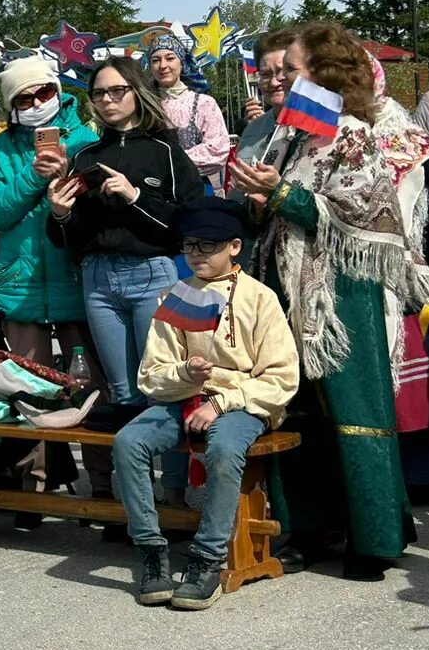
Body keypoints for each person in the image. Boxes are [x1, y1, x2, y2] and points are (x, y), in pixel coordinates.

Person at [231, 22, 429, 581]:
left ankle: (374, 537)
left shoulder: (353, 132)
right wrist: (261, 199)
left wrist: (280, 193)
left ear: (321, 73)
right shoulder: (299, 135)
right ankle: (310, 528)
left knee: (355, 415)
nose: (282, 78)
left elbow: (364, 219)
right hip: (290, 290)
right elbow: (285, 208)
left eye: (292, 68)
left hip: (341, 297)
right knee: (297, 410)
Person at [115, 198, 299, 609]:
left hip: (243, 402)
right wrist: (185, 373)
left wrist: (221, 403)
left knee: (225, 448)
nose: (195, 254)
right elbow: (150, 375)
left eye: (207, 246)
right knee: (128, 442)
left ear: (234, 246)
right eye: (189, 245)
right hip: (183, 399)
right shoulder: (177, 297)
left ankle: (207, 559)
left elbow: (282, 378)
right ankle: (150, 550)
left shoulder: (261, 298)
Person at [0, 53, 109, 496]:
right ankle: (32, 490)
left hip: (77, 280)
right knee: (26, 390)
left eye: (44, 92)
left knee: (90, 387)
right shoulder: (1, 147)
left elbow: (99, 213)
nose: (37, 101)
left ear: (58, 91)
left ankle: (105, 486)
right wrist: (34, 179)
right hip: (20, 284)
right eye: (25, 97)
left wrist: (69, 175)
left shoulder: (86, 137)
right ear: (11, 106)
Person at [47, 62, 201, 417]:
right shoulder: (86, 156)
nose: (107, 99)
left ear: (136, 91)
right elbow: (69, 238)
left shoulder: (164, 150)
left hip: (151, 274)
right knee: (122, 392)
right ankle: (132, 474)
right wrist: (59, 213)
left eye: (117, 90)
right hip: (98, 279)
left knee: (163, 387)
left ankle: (174, 476)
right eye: (99, 93)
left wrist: (135, 197)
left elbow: (188, 221)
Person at [144, 34, 231, 192]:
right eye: (155, 60)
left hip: (195, 188)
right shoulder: (144, 106)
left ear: (182, 62)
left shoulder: (203, 103)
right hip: (153, 191)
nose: (163, 65)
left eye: (170, 58)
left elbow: (218, 149)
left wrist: (169, 162)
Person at [236, 28, 300, 164]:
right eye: (265, 74)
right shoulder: (252, 131)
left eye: (282, 71)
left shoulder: (332, 129)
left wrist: (278, 185)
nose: (274, 82)